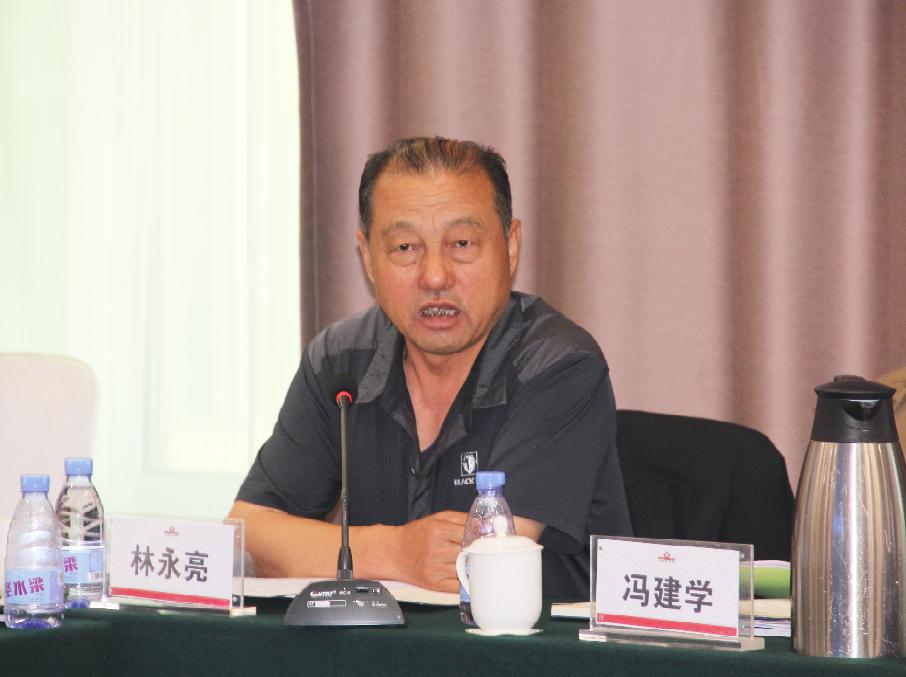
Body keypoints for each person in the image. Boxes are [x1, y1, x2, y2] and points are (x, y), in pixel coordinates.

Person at [230, 137, 631, 598]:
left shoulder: (557, 365)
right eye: (405, 247)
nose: (435, 276)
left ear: (510, 245)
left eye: (462, 243)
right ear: (368, 257)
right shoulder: (340, 361)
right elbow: (247, 534)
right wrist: (393, 552)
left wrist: (329, 549)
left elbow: (487, 567)